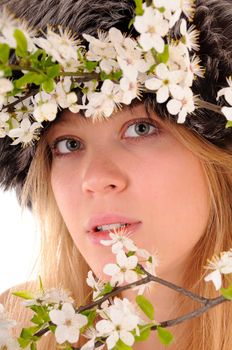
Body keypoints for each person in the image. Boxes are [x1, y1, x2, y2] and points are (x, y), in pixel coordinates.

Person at [0, 0, 232, 349]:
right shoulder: (14, 328)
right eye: (68, 144)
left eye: (140, 128)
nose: (94, 178)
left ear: (216, 152)